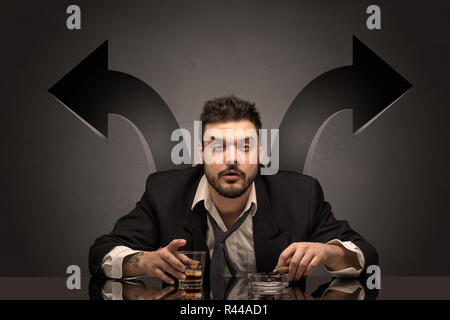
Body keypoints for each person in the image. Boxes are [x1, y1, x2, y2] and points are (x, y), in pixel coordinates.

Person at [89, 95, 378, 290]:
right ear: (200, 154)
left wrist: (327, 252)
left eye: (245, 146)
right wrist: (144, 261)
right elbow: (102, 253)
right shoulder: (163, 192)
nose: (232, 159)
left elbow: (365, 255)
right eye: (218, 147)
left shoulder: (301, 195)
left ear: (261, 153)